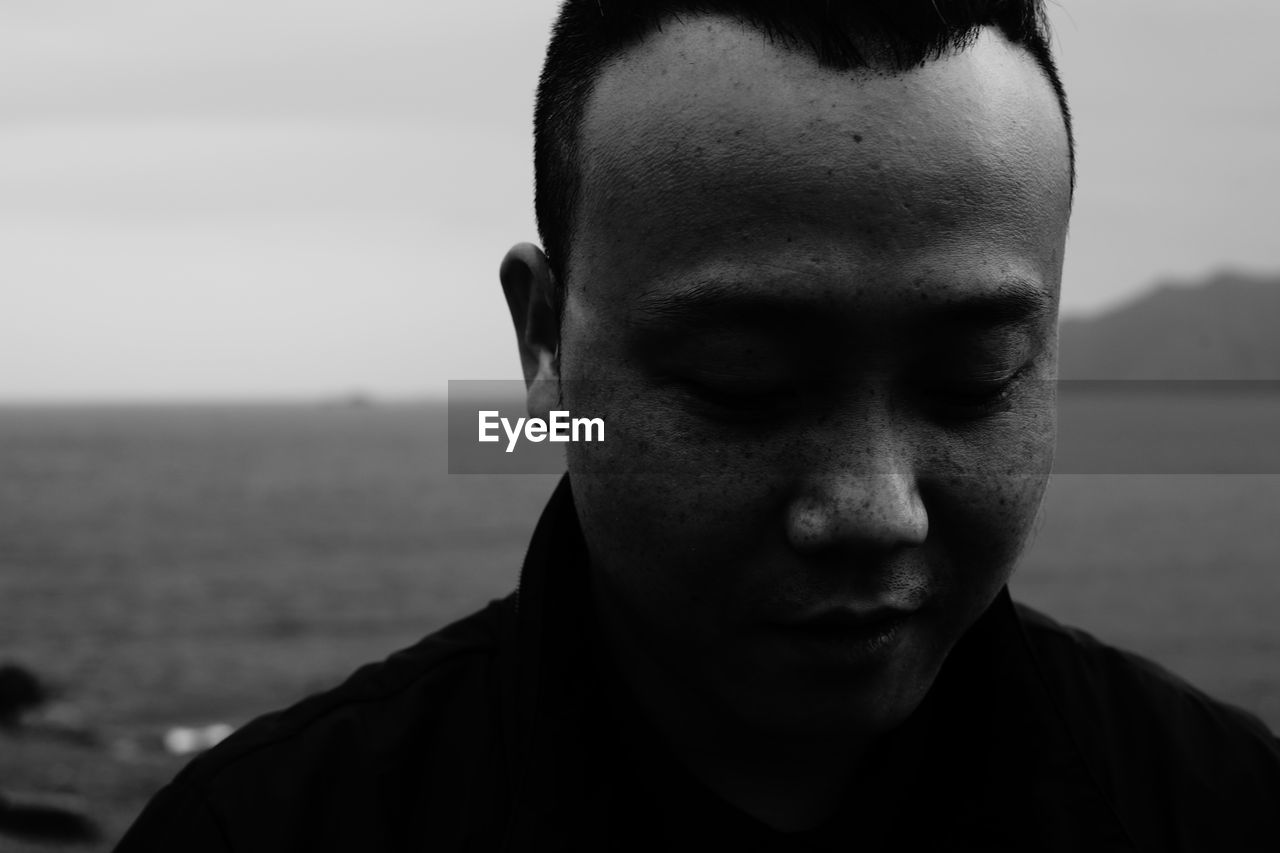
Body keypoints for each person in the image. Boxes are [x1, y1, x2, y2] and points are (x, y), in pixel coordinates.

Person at [115, 1, 1280, 850]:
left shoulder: (1221, 810)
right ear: (542, 342)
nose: (869, 508)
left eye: (973, 379)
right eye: (741, 384)